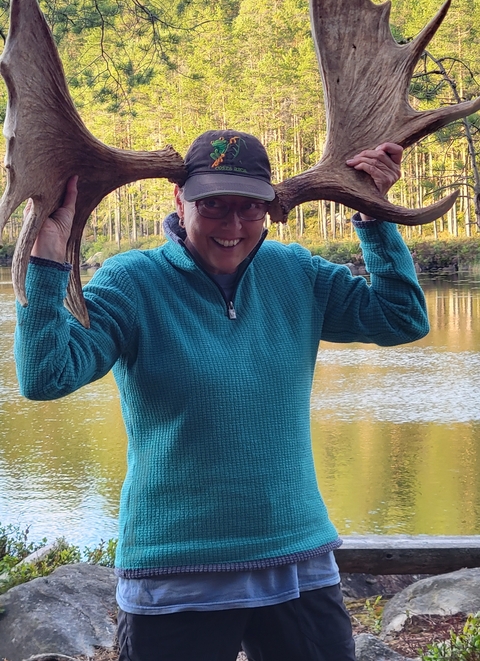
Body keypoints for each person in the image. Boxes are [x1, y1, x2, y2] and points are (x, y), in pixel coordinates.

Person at [14, 129, 429, 661]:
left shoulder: (295, 272)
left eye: (250, 208)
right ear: (179, 201)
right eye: (213, 205)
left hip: (294, 559)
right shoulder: (132, 282)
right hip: (177, 569)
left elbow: (401, 318)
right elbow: (46, 375)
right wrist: (47, 263)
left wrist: (375, 215)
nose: (233, 226)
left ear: (269, 208)